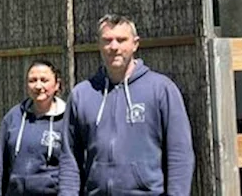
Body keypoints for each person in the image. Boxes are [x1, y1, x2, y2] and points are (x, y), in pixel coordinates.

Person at [68, 14, 194, 196]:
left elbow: (180, 154)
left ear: (135, 44)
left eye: (121, 40)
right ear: (99, 45)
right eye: (107, 40)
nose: (114, 47)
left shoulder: (161, 89)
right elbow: (70, 157)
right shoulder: (82, 94)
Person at [0, 59, 80, 196]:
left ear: (57, 84)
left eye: (44, 80)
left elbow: (75, 167)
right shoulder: (13, 118)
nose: (38, 86)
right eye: (32, 80)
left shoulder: (68, 120)